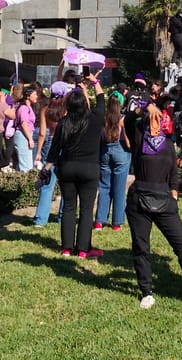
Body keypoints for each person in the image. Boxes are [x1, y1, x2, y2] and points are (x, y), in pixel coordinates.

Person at [125, 97, 182, 312]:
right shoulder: (138, 135)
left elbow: (173, 173)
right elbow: (128, 119)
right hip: (139, 199)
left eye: (158, 120)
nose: (155, 123)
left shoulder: (168, 143)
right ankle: (146, 292)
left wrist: (174, 195)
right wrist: (147, 107)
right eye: (152, 120)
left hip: (164, 200)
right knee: (141, 247)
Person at [45, 89, 105, 258]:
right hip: (89, 169)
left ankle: (66, 248)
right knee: (86, 209)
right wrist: (95, 82)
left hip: (67, 168)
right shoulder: (94, 120)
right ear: (85, 104)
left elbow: (54, 149)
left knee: (69, 207)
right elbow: (101, 102)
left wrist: (46, 169)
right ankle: (83, 249)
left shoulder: (64, 123)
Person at [33, 85, 69, 227]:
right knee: (66, 184)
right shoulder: (66, 110)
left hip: (50, 144)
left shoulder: (45, 109)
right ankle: (63, 217)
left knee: (47, 183)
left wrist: (38, 152)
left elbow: (42, 133)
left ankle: (40, 220)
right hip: (65, 144)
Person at [95, 94, 131, 230]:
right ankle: (116, 222)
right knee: (119, 189)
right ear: (121, 104)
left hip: (105, 151)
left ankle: (99, 220)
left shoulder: (104, 119)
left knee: (104, 186)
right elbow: (127, 142)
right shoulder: (122, 120)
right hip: (120, 152)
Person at [14, 86, 39, 174]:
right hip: (23, 135)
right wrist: (30, 139)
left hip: (26, 135)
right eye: (35, 94)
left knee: (25, 163)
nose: (37, 96)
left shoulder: (29, 107)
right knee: (26, 166)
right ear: (28, 96)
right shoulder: (23, 108)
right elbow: (23, 124)